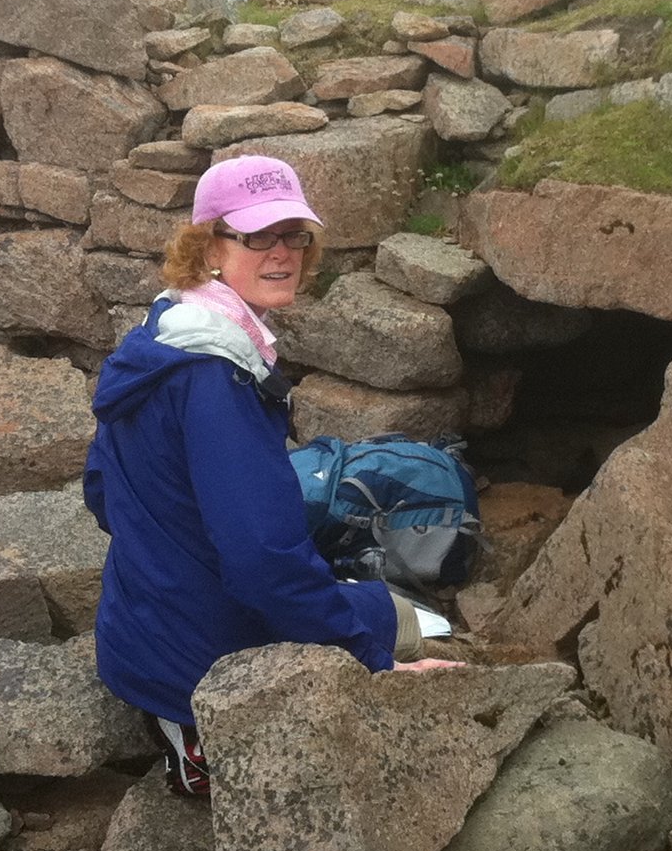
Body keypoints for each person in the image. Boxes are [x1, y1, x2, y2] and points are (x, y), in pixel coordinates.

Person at [84, 154, 447, 794]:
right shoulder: (216, 378)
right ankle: (201, 736)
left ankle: (182, 721)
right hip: (201, 658)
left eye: (294, 235)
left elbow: (102, 492)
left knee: (343, 587)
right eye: (256, 236)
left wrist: (172, 554)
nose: (282, 253)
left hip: (137, 632)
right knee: (403, 616)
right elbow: (261, 561)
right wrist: (373, 664)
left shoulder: (162, 336)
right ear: (208, 248)